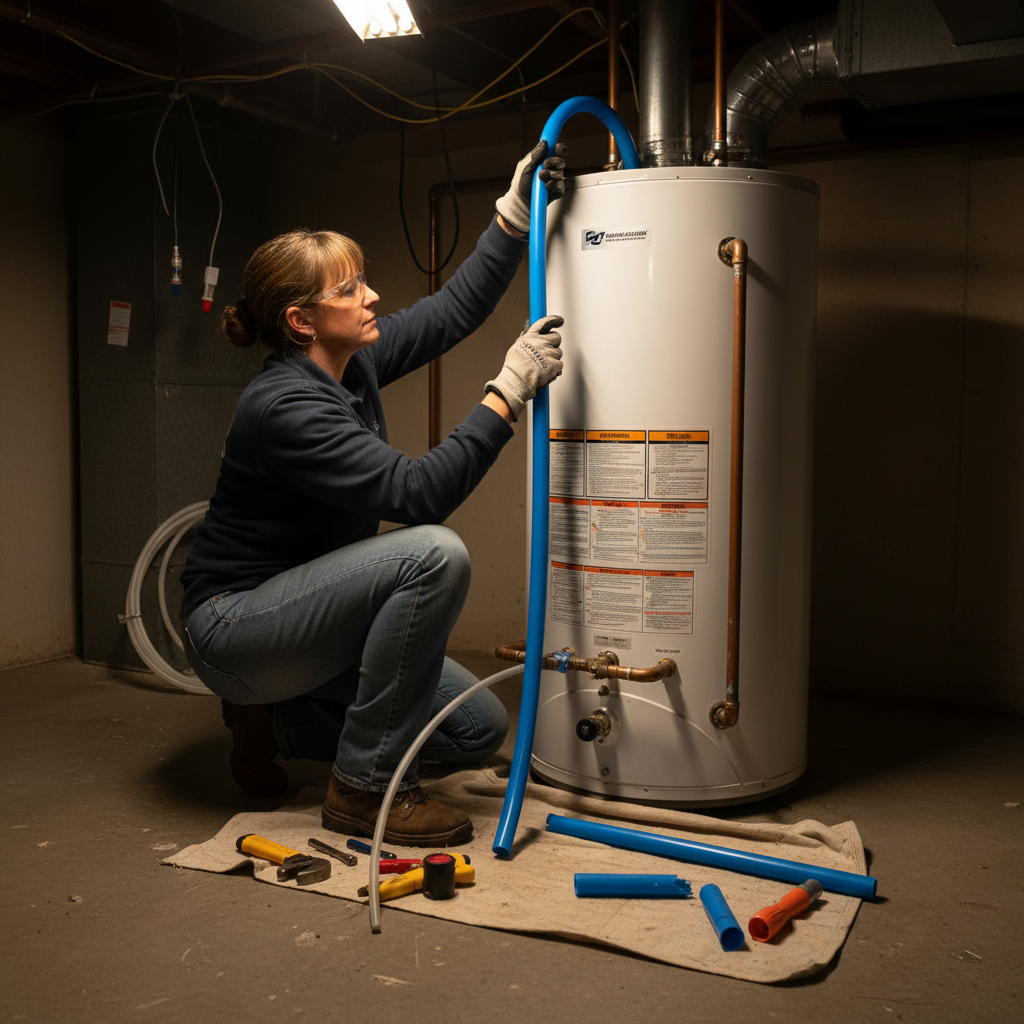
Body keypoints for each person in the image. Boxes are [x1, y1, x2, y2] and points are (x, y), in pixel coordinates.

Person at [179, 142, 566, 848]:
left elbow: (450, 312)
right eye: (350, 289)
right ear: (302, 321)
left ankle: (275, 721)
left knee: (476, 729)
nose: (372, 297)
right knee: (433, 553)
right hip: (237, 627)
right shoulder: (285, 407)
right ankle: (362, 787)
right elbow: (418, 494)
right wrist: (508, 391)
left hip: (312, 618)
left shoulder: (349, 365)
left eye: (363, 281)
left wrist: (511, 218)